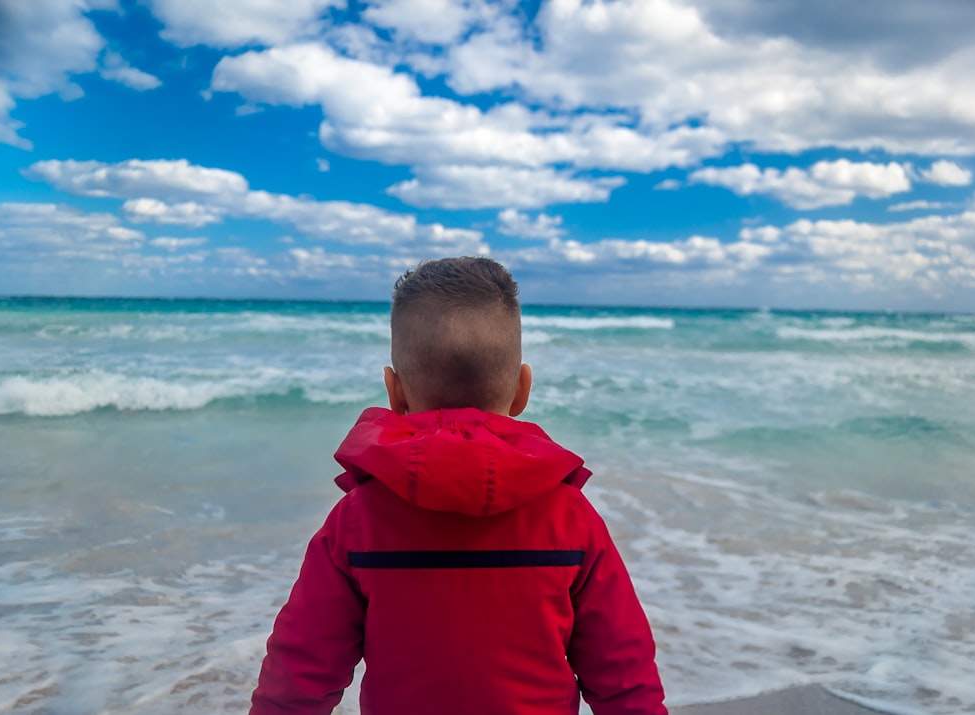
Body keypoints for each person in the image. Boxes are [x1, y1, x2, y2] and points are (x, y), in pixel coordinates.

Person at [250, 257, 667, 715]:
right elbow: (625, 677)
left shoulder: (357, 520)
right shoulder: (572, 518)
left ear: (395, 392)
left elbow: (300, 672)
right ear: (522, 389)